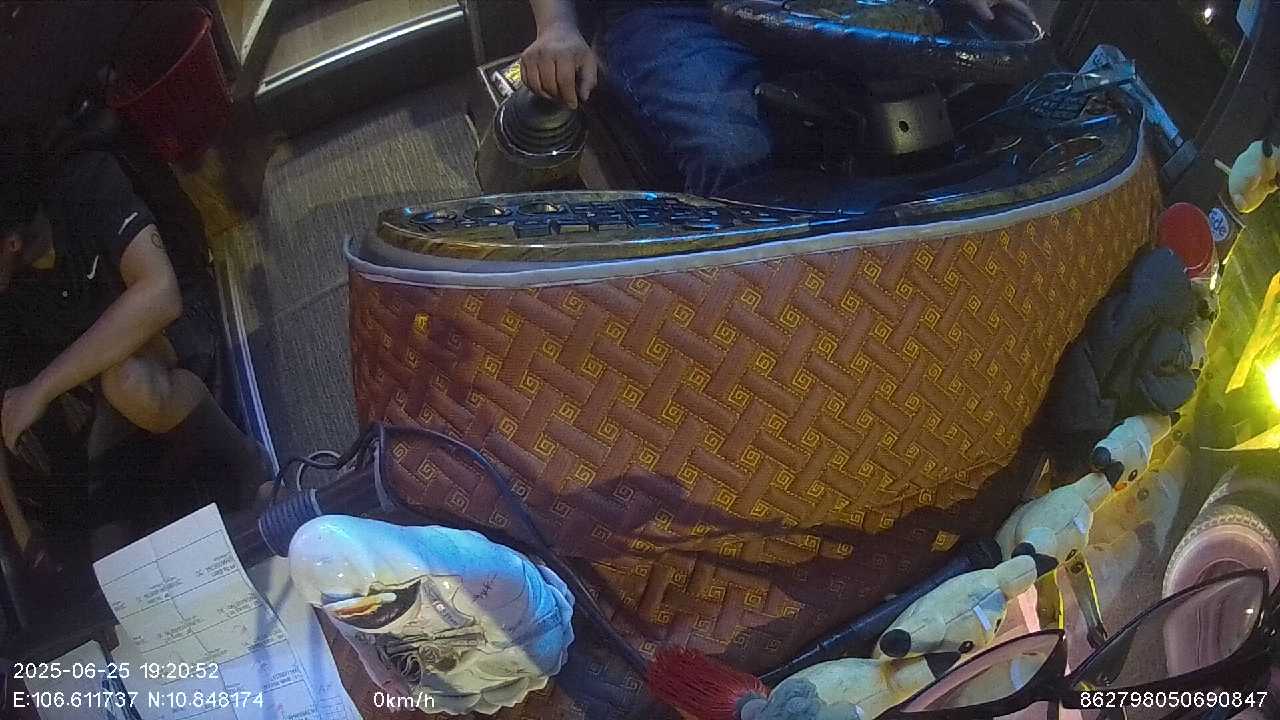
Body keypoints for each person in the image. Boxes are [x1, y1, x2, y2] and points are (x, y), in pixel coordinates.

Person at [0, 126, 267, 554]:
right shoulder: (14, 289)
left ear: (12, 243)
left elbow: (160, 295)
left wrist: (41, 388)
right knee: (106, 555)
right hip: (99, 379)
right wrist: (22, 535)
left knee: (127, 382)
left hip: (176, 326)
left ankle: (248, 462)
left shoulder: (86, 183)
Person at [520, 0, 1038, 196]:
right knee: (737, 155)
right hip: (672, 13)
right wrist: (557, 25)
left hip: (823, 7)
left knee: (991, 113)